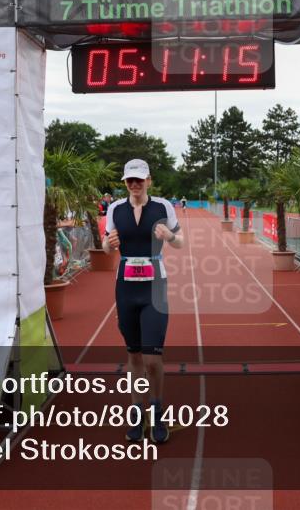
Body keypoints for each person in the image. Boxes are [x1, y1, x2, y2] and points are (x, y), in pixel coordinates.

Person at [103, 158, 183, 443]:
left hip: (155, 288)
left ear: (149, 180)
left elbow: (181, 241)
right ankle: (137, 411)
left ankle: (157, 409)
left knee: (152, 357)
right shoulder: (115, 209)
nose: (134, 185)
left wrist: (170, 235)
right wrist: (107, 245)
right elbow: (106, 242)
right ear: (125, 183)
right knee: (134, 356)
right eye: (129, 181)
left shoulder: (162, 207)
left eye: (139, 180)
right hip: (125, 287)